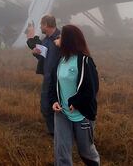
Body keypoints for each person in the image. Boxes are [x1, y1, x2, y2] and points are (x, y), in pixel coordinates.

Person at [49, 25, 100, 166]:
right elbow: (54, 84)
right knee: (61, 153)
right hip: (62, 114)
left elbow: (92, 89)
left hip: (82, 114)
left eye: (61, 37)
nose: (58, 39)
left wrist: (76, 102)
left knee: (86, 152)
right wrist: (54, 100)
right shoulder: (61, 60)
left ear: (69, 40)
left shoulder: (85, 61)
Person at [26, 15, 61, 135]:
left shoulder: (62, 37)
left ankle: (61, 132)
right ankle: (54, 132)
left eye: (41, 24)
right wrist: (36, 53)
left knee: (59, 107)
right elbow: (45, 57)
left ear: (46, 24)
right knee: (45, 107)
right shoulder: (46, 39)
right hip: (48, 78)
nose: (40, 27)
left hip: (60, 79)